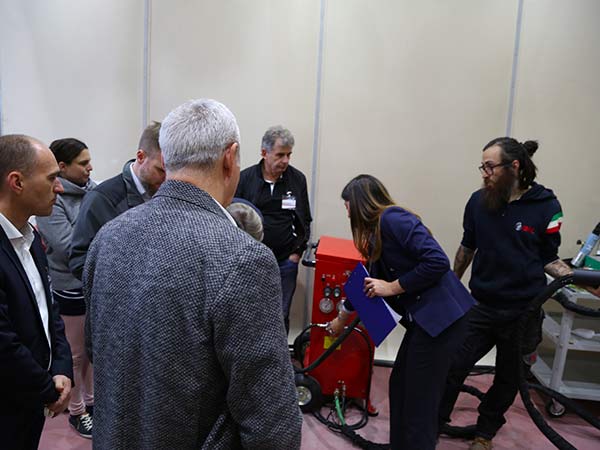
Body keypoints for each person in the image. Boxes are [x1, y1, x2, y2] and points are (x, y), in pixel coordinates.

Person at [83, 99, 302, 449]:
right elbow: (270, 420)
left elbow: (98, 350)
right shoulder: (244, 258)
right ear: (230, 158)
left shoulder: (109, 236)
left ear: (168, 158)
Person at [438, 137, 600, 450]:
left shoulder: (547, 206)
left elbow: (548, 258)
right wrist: (450, 287)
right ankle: (433, 421)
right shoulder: (478, 201)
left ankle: (484, 434)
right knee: (452, 365)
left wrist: (580, 280)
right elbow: (467, 247)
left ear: (514, 166)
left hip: (523, 311)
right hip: (481, 305)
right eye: (482, 167)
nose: (484, 173)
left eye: (490, 167)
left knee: (508, 378)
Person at [329, 174, 474, 450]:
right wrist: (340, 319)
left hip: (444, 320)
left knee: (420, 398)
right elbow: (366, 285)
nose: (347, 213)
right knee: (400, 385)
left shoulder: (393, 219)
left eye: (347, 206)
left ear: (359, 203)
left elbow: (437, 261)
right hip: (426, 322)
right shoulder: (377, 235)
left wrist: (392, 287)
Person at [0, 134, 74, 449]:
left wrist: (62, 368)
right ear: (17, 182)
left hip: (30, 401)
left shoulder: (30, 237)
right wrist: (46, 388)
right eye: (51, 178)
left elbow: (49, 310)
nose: (60, 188)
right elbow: (3, 342)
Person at [36, 138, 95, 439]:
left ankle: (92, 403)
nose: (90, 168)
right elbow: (66, 245)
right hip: (69, 287)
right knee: (75, 354)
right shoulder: (53, 200)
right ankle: (77, 410)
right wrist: (101, 238)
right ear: (63, 167)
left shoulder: (94, 191)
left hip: (93, 282)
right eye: (83, 163)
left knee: (93, 350)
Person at [235, 125, 311, 333]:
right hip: (252, 262)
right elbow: (233, 217)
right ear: (264, 153)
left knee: (280, 315)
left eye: (289, 155)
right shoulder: (244, 179)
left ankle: (279, 354)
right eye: (280, 155)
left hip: (285, 261)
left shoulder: (297, 179)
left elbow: (305, 219)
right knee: (250, 314)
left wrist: (296, 253)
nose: (285, 161)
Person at [69, 121, 165, 281]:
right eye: (161, 170)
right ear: (141, 157)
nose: (166, 178)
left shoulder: (166, 192)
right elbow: (80, 262)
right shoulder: (101, 199)